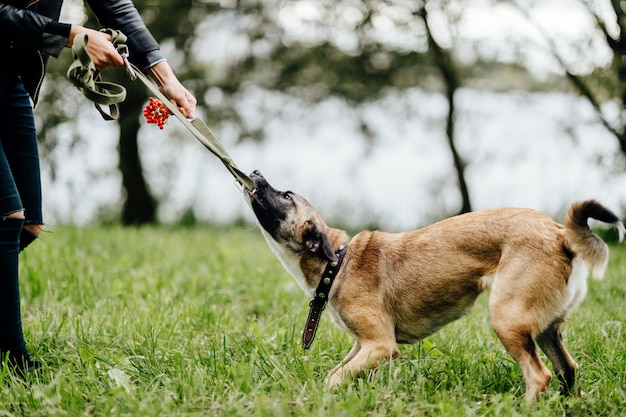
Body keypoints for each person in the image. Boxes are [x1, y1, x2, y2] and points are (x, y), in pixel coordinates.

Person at [0, 0, 197, 376]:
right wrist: (74, 33)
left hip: (10, 77)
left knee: (28, 224)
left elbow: (116, 6)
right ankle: (14, 360)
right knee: (7, 217)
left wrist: (165, 78)